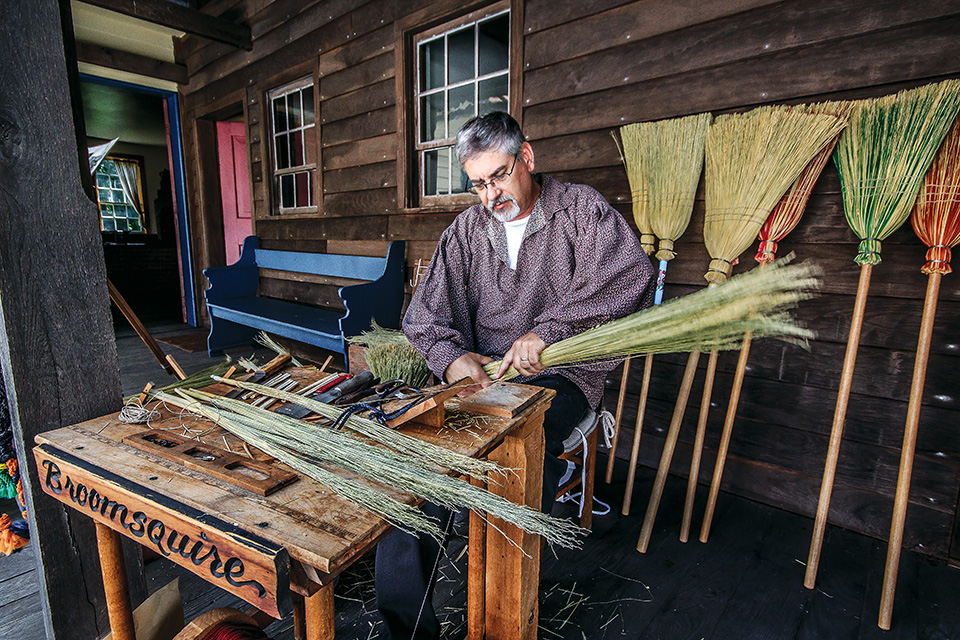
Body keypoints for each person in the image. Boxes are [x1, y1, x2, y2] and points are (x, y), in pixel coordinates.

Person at [375, 111, 654, 639]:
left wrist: (548, 333)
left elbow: (630, 277)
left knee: (510, 455)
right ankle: (405, 629)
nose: (489, 195)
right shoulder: (467, 230)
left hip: (563, 375)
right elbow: (423, 316)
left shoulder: (580, 211)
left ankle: (504, 614)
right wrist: (453, 358)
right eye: (478, 183)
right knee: (412, 466)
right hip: (483, 377)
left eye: (499, 176)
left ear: (526, 157)